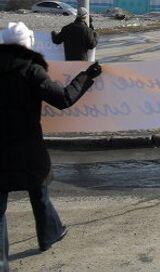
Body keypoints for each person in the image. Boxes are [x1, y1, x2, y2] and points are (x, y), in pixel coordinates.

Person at [1, 22, 102, 268]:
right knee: (39, 192)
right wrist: (86, 76)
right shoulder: (32, 71)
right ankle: (48, 235)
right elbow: (64, 98)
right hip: (27, 147)